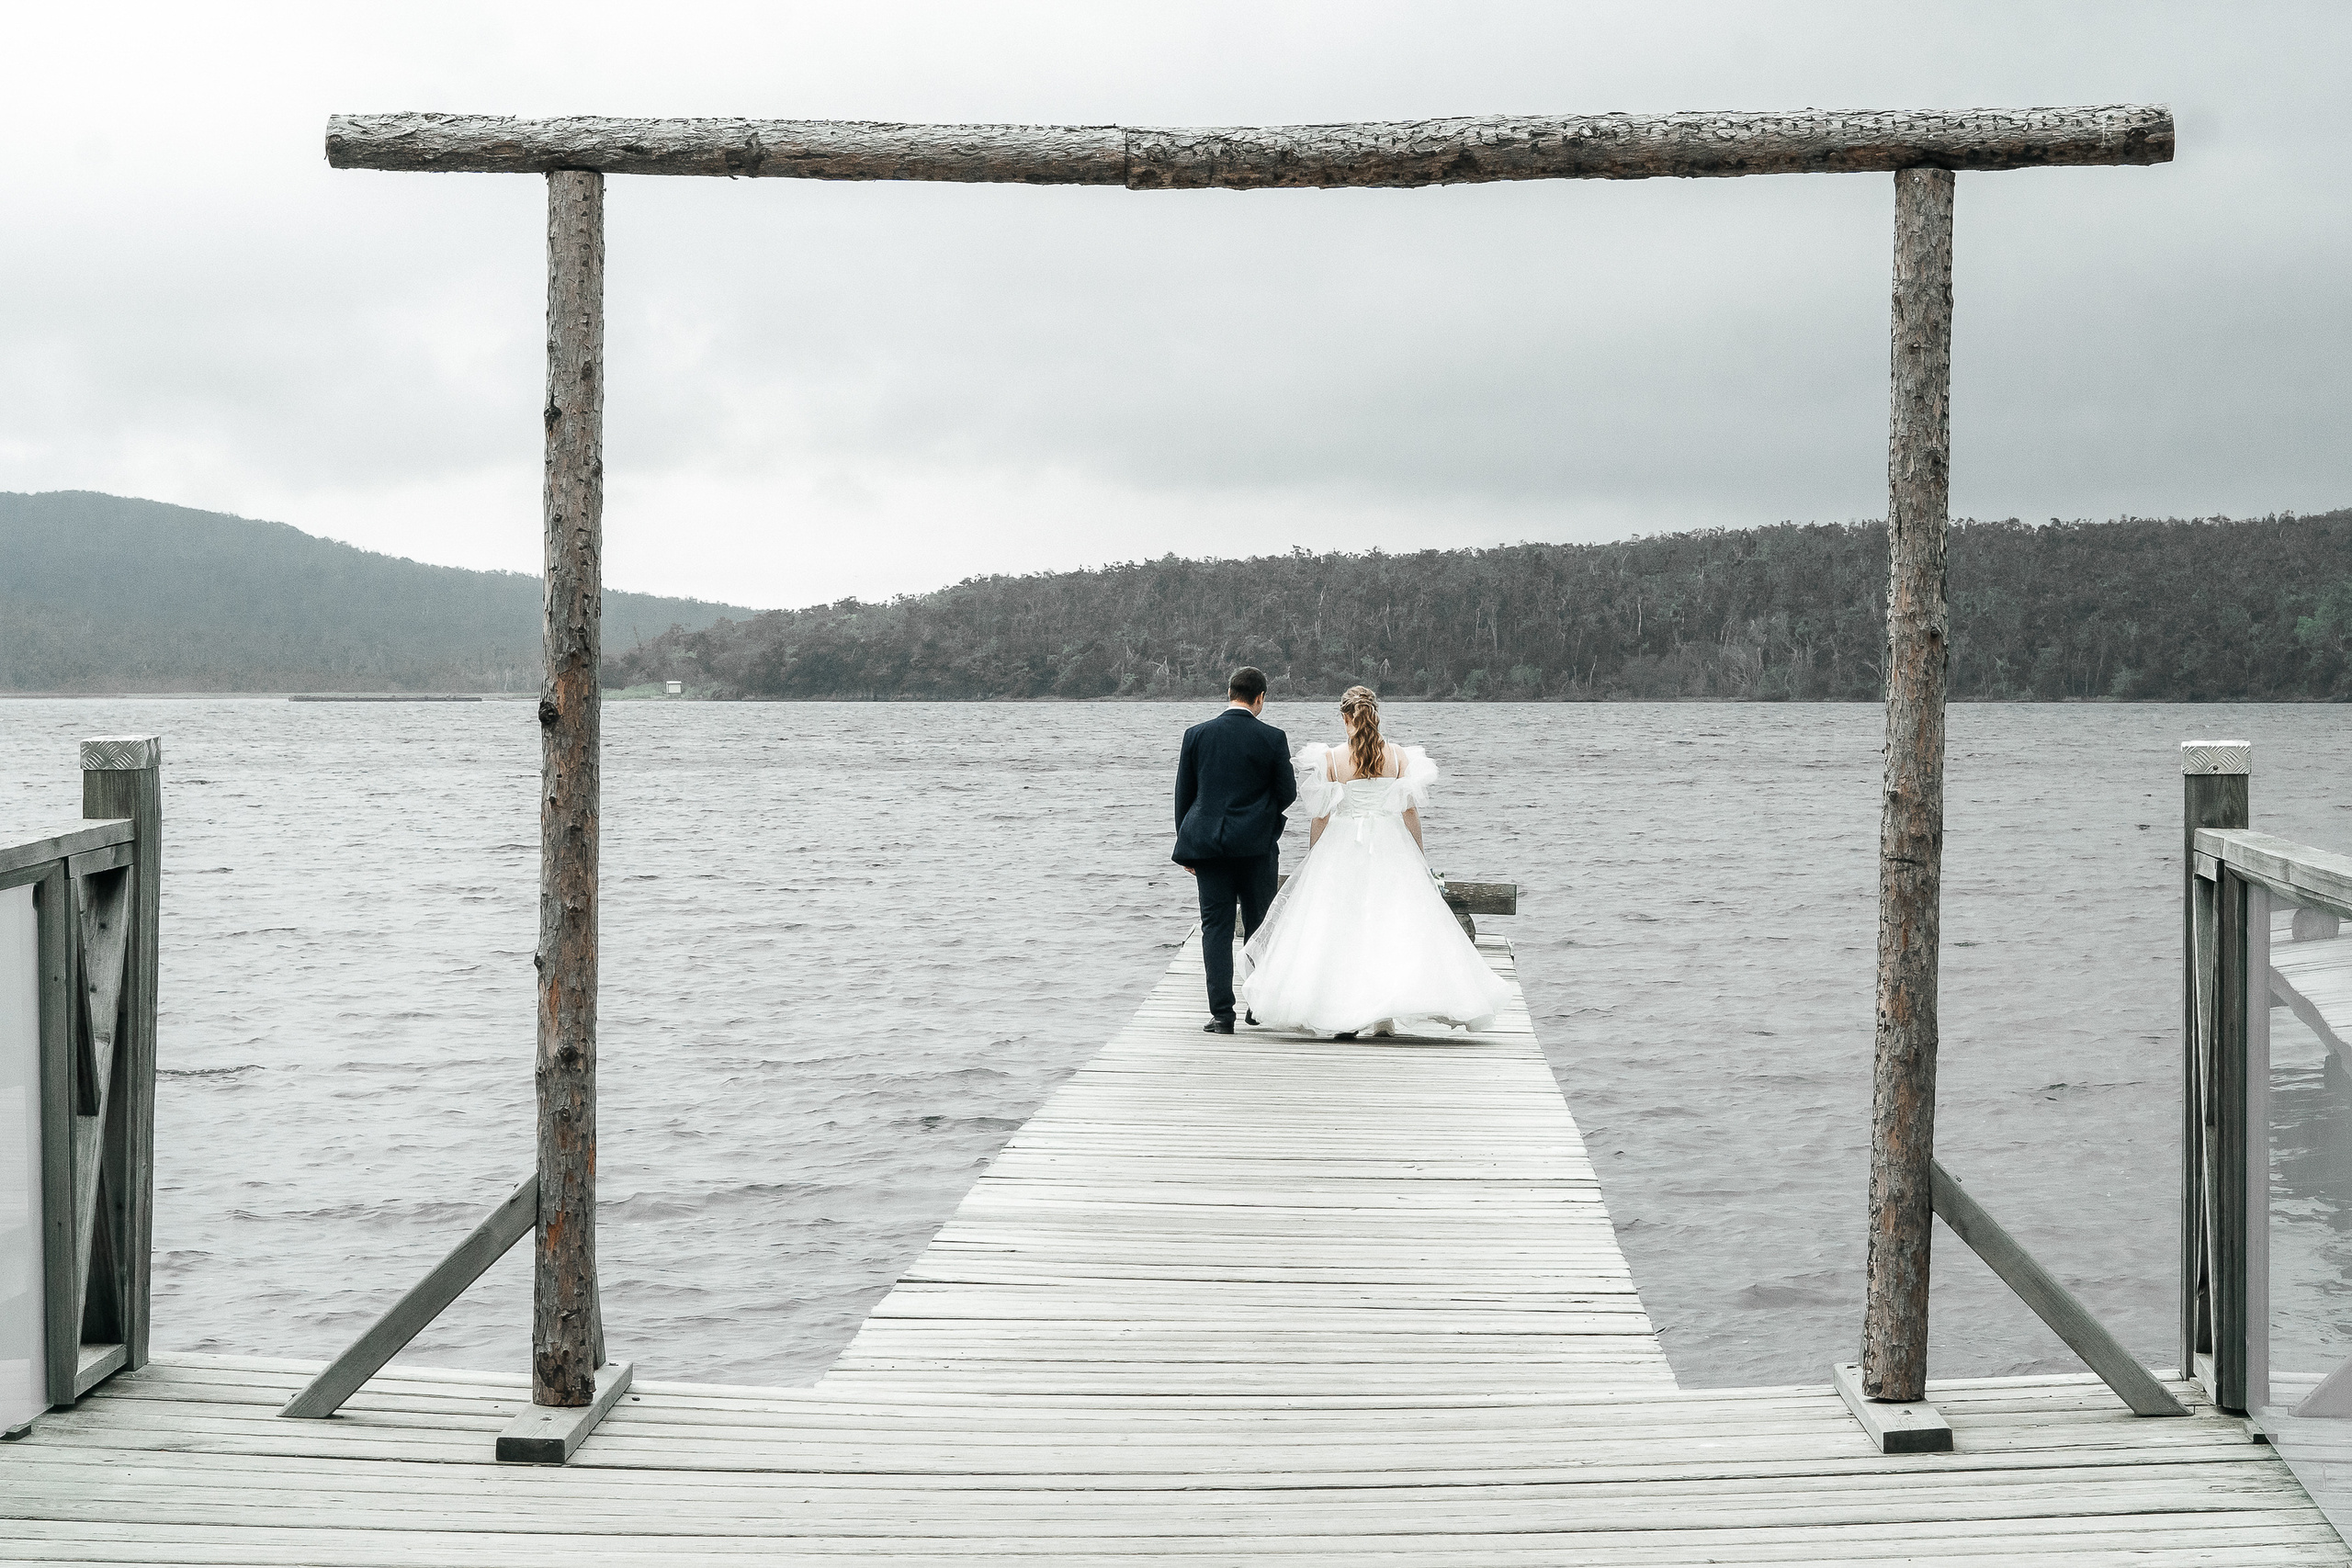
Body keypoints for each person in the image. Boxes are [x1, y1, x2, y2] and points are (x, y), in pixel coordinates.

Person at [1239, 685, 1511, 1037]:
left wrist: (1313, 860)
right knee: (1389, 924)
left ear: (1344, 716)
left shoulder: (1331, 759)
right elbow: (1409, 812)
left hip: (1342, 845)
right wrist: (1419, 859)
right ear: (1376, 714)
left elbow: (1320, 816)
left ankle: (1340, 1011)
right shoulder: (1399, 757)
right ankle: (1384, 1017)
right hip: (1390, 844)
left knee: (1340, 927)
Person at [1171, 667, 1296, 1033]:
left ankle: (1221, 1015)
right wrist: (1263, 818)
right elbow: (1287, 793)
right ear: (1261, 698)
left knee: (1216, 929)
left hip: (1207, 847)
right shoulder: (1273, 738)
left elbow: (1185, 795)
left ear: (1229, 692)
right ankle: (1256, 1007)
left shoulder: (1196, 735)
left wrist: (1188, 846)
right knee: (1259, 927)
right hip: (1257, 848)